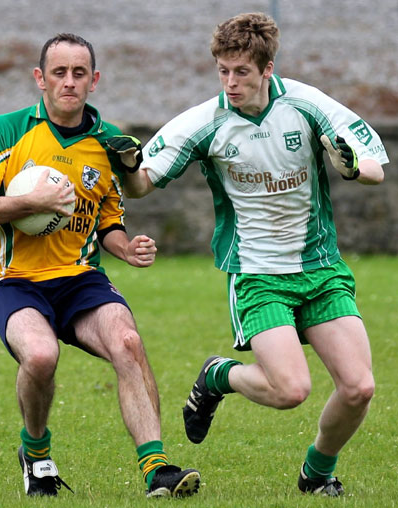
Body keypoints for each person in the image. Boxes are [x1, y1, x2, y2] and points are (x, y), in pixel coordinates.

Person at [119, 12, 389, 497]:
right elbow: (141, 185)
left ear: (268, 69)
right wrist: (126, 164)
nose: (230, 82)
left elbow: (373, 167)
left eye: (241, 71)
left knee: (359, 388)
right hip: (257, 274)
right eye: (223, 70)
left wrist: (351, 165)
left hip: (320, 267)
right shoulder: (207, 120)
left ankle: (317, 474)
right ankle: (217, 376)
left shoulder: (306, 105)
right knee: (291, 391)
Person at [0, 33, 200, 499]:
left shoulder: (108, 144)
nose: (69, 82)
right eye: (59, 72)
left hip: (79, 276)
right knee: (42, 356)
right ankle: (36, 453)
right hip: (11, 279)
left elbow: (107, 218)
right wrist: (30, 201)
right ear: (40, 78)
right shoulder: (5, 131)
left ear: (94, 80)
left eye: (79, 73)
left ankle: (158, 469)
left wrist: (126, 248)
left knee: (127, 341)